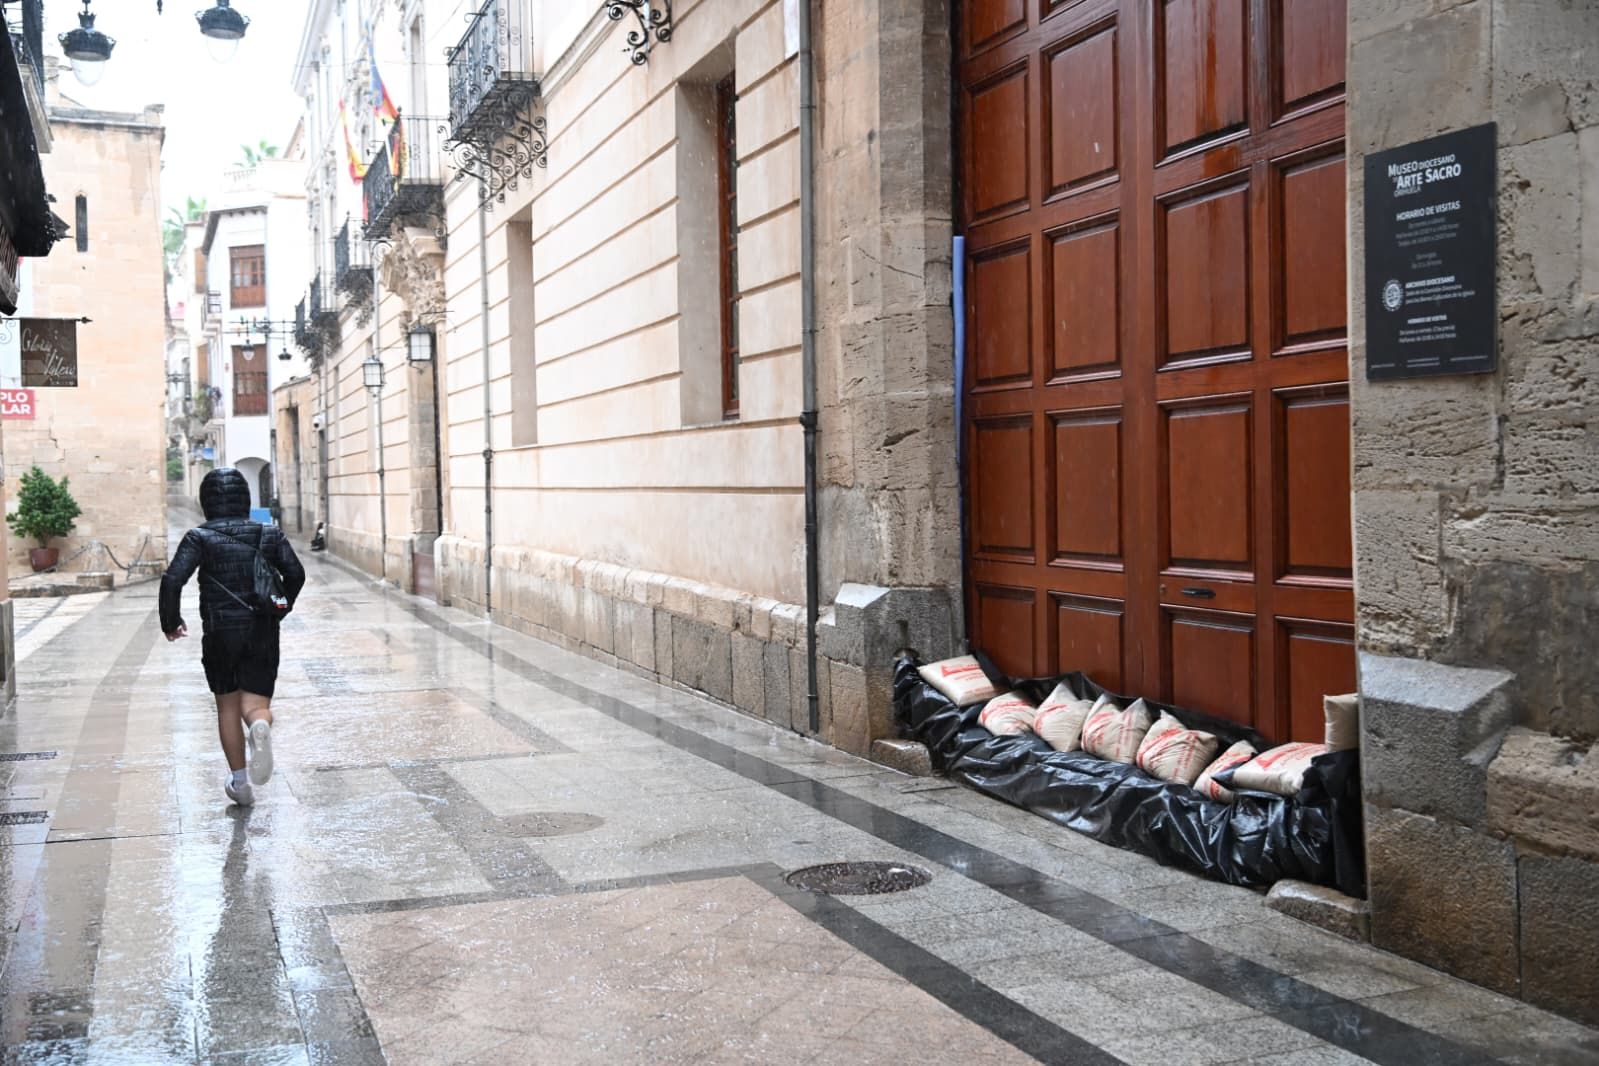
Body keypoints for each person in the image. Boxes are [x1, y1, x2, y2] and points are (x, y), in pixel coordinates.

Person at [160, 468, 305, 807]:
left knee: (226, 706)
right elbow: (296, 573)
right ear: (245, 498)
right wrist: (281, 608)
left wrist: (171, 621)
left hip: (220, 632)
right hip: (262, 629)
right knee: (255, 704)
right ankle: (258, 726)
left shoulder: (199, 537)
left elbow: (172, 580)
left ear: (206, 500)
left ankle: (240, 784)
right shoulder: (269, 534)